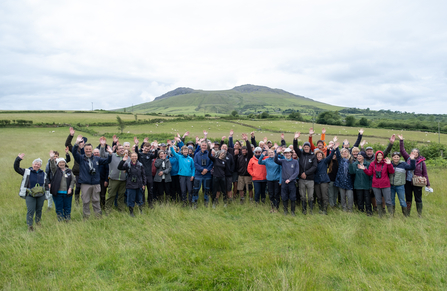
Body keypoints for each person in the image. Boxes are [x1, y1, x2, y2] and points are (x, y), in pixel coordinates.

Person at [72, 135, 112, 218]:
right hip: (85, 183)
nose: (88, 151)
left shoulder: (97, 159)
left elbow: (107, 161)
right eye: (86, 149)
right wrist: (76, 144)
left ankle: (98, 216)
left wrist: (110, 154)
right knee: (85, 201)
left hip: (96, 183)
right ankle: (86, 217)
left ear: (92, 150)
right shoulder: (81, 158)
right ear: (84, 150)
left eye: (90, 149)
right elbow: (74, 152)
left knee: (96, 200)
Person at [14, 154, 50, 231]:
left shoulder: (43, 174)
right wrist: (18, 159)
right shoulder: (26, 171)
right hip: (30, 195)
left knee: (39, 210)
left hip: (41, 195)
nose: (36, 165)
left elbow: (46, 185)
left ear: (40, 166)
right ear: (32, 164)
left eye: (38, 164)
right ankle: (30, 226)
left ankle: (38, 223)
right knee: (31, 210)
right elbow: (16, 168)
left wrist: (46, 196)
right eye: (35, 164)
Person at [398, 135, 431, 217]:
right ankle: (407, 214)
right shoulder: (408, 159)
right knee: (408, 198)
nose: (415, 153)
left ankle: (419, 214)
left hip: (418, 182)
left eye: (416, 152)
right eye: (413, 152)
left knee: (418, 199)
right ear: (411, 153)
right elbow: (402, 150)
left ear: (418, 154)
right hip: (408, 182)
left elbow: (425, 174)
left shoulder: (422, 162)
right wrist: (401, 140)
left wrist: (428, 185)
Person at [358, 151, 395, 218]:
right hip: (375, 185)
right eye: (378, 155)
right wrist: (364, 169)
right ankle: (380, 215)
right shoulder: (372, 164)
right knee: (378, 200)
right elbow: (369, 173)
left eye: (381, 155)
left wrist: (389, 164)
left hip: (385, 185)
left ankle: (390, 215)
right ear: (376, 156)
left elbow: (391, 172)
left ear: (383, 156)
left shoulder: (386, 163)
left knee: (388, 200)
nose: (379, 157)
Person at [293, 132, 317, 215]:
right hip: (301, 179)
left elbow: (314, 166)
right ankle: (304, 210)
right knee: (302, 195)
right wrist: (295, 139)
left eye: (307, 147)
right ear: (303, 147)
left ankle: (310, 210)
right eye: (305, 147)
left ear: (310, 148)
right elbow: (295, 148)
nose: (306, 148)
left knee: (310, 196)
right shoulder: (301, 154)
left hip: (310, 179)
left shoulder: (313, 156)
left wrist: (306, 173)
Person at [100, 141, 127, 212]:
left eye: (122, 148)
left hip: (123, 180)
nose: (122, 149)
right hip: (113, 179)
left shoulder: (127, 157)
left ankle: (121, 210)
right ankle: (107, 210)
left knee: (121, 196)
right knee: (111, 195)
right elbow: (102, 155)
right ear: (117, 150)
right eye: (120, 148)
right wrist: (102, 146)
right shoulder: (112, 155)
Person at [118, 152, 146, 216]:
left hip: (139, 184)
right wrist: (123, 160)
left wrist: (144, 184)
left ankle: (140, 211)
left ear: (137, 157)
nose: (134, 157)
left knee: (139, 198)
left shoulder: (140, 165)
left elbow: (143, 175)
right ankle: (131, 212)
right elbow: (119, 167)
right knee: (131, 199)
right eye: (132, 156)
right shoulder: (127, 164)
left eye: (135, 156)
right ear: (130, 157)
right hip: (130, 185)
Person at [49, 153, 76, 221]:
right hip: (58, 193)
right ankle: (60, 220)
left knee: (67, 207)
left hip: (67, 193)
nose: (61, 164)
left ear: (65, 163)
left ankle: (67, 219)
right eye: (60, 162)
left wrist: (70, 188)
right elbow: (52, 166)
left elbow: (73, 179)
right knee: (59, 207)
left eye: (63, 162)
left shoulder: (69, 171)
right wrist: (52, 158)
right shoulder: (56, 170)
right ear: (58, 164)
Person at [389, 151, 415, 217]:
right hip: (391, 186)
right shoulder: (389, 164)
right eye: (394, 157)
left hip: (400, 186)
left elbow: (412, 167)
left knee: (402, 201)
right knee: (392, 200)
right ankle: (392, 215)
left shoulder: (403, 164)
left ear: (399, 158)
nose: (396, 158)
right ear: (392, 157)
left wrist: (412, 159)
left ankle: (405, 215)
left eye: (397, 157)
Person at [274, 148, 299, 215]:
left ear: (291, 153)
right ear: (284, 154)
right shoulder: (282, 161)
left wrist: (290, 179)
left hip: (292, 182)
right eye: (286, 153)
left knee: (293, 197)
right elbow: (275, 160)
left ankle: (292, 212)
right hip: (284, 182)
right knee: (284, 196)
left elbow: (296, 172)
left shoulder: (295, 162)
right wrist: (277, 153)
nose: (287, 154)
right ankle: (285, 211)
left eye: (288, 153)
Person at [314, 144, 337, 215]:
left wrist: (333, 149)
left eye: (320, 155)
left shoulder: (325, 161)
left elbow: (330, 156)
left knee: (324, 196)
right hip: (317, 181)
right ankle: (320, 209)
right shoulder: (314, 162)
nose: (319, 156)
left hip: (324, 181)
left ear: (322, 155)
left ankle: (325, 210)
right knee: (318, 196)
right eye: (317, 155)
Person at [135, 137, 158, 207]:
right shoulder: (140, 155)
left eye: (148, 149)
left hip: (149, 175)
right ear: (143, 147)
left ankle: (150, 203)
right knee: (142, 190)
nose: (147, 150)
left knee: (150, 190)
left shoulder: (150, 155)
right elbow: (136, 153)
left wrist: (156, 148)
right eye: (145, 148)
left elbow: (155, 155)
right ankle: (142, 203)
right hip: (142, 175)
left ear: (150, 149)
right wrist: (136, 145)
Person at [258, 145, 281, 212]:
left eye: (272, 152)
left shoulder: (277, 160)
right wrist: (262, 155)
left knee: (276, 194)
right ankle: (272, 208)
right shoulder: (266, 160)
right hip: (269, 180)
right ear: (268, 154)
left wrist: (280, 179)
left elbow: (280, 170)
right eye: (270, 152)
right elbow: (259, 162)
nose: (271, 153)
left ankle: (277, 208)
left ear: (274, 153)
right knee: (271, 194)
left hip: (276, 179)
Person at [65, 127, 85, 205]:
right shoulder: (75, 150)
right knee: (77, 188)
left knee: (84, 189)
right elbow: (67, 144)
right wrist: (71, 135)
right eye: (80, 142)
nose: (81, 144)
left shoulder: (87, 151)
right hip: (77, 172)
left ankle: (85, 202)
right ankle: (77, 202)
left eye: (82, 142)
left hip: (85, 173)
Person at [193, 141, 213, 207]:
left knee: (207, 189)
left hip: (207, 175)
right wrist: (202, 169)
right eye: (202, 145)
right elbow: (195, 163)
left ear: (207, 146)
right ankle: (195, 202)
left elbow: (212, 163)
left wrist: (207, 169)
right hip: (198, 174)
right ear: (200, 146)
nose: (203, 146)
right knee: (196, 189)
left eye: (205, 145)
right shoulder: (196, 154)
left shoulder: (210, 154)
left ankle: (206, 202)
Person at [235, 133, 254, 204]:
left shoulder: (249, 156)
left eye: (245, 150)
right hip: (240, 175)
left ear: (247, 151)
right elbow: (237, 166)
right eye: (242, 150)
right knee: (240, 188)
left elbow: (249, 148)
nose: (244, 151)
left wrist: (246, 140)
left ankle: (251, 199)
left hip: (248, 175)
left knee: (249, 188)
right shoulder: (239, 157)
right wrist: (238, 172)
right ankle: (242, 199)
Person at [334, 146, 354, 212]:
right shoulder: (340, 160)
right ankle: (344, 208)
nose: (344, 153)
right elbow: (337, 154)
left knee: (350, 196)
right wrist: (336, 147)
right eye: (343, 152)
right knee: (342, 197)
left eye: (346, 152)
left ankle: (350, 208)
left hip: (349, 181)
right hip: (341, 181)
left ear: (348, 153)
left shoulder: (351, 160)